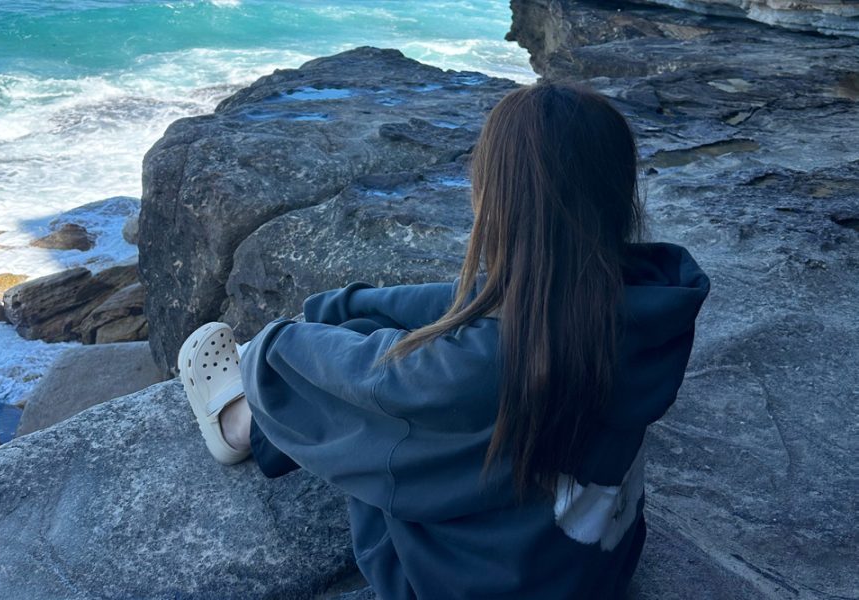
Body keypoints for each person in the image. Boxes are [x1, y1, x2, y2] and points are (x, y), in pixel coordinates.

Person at [177, 82, 710, 599]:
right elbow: (481, 299)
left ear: (497, 201)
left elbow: (356, 375)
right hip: (594, 571)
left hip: (457, 586)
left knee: (367, 397)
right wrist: (347, 305)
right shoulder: (645, 302)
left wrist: (268, 349)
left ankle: (241, 423)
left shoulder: (485, 366)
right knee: (385, 335)